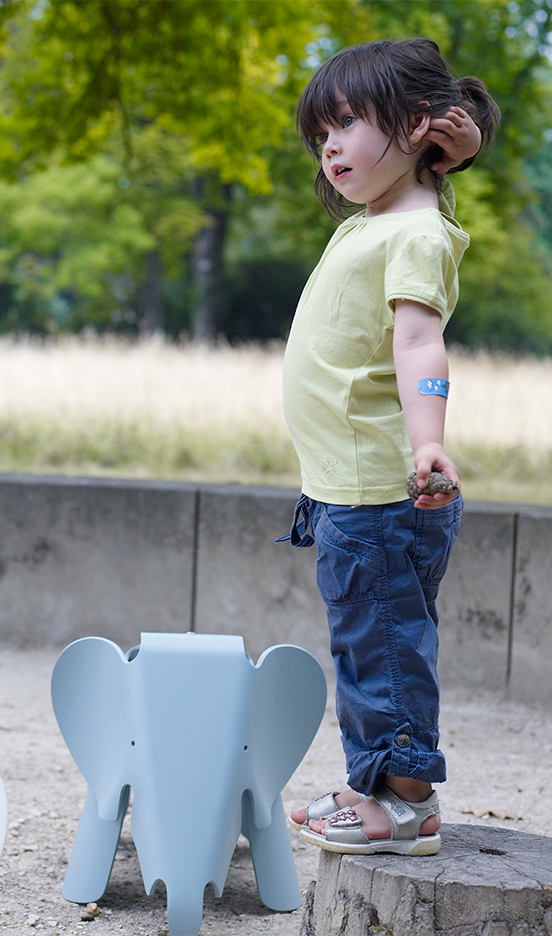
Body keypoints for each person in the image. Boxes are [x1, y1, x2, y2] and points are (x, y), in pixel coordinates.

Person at [278, 38, 500, 856]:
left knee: (384, 648)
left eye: (346, 124)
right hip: (350, 491)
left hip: (379, 492)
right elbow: (423, 164)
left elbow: (418, 343)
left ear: (414, 126)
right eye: (320, 134)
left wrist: (428, 441)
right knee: (371, 642)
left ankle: (405, 803)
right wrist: (443, 152)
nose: (329, 146)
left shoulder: (416, 234)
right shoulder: (378, 222)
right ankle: (375, 779)